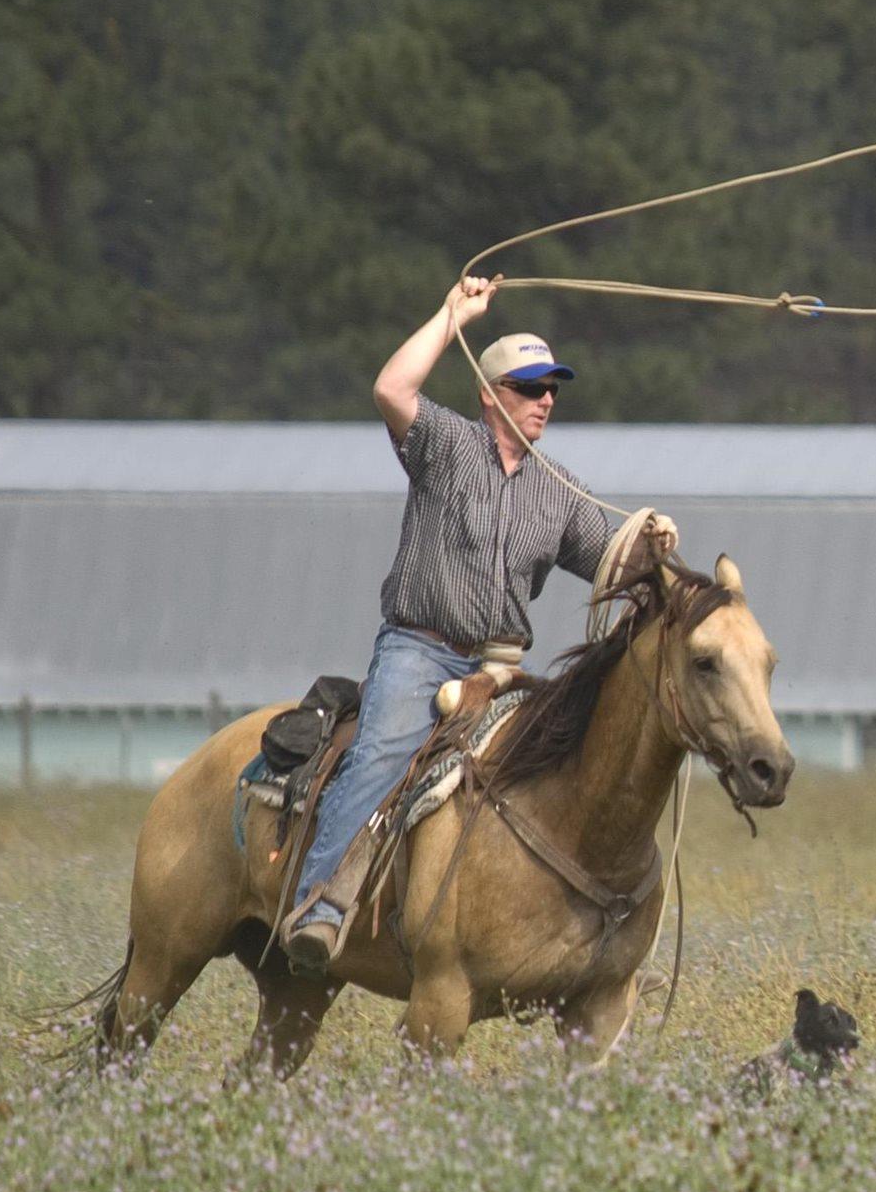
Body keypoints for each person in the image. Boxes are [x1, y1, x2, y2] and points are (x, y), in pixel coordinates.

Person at [276, 276, 670, 971]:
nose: (545, 398)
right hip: (419, 649)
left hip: (502, 667)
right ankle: (323, 905)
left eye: (552, 388)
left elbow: (611, 559)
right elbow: (392, 390)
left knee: (549, 769)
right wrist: (452, 313)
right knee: (382, 755)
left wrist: (654, 547)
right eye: (528, 386)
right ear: (491, 396)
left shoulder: (561, 489)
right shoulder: (446, 446)